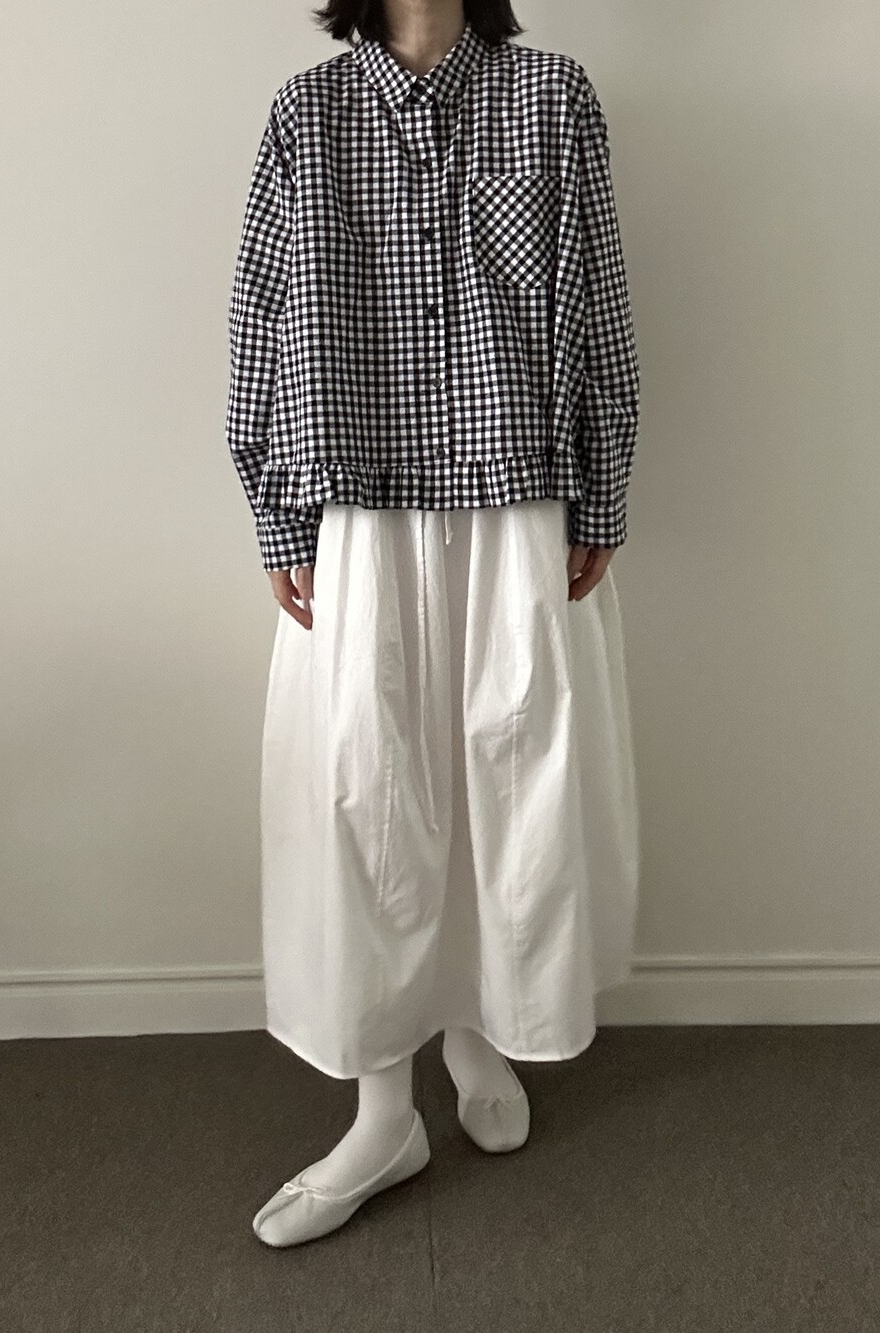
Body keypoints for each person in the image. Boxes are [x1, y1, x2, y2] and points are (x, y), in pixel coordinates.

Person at [226, 0, 641, 1248]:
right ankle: (381, 1111)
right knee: (366, 789)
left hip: (515, 494)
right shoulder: (308, 115)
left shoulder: (551, 97)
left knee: (508, 772)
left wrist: (603, 485)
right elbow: (259, 315)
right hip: (358, 500)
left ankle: (475, 1021)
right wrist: (275, 511)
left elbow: (599, 300)